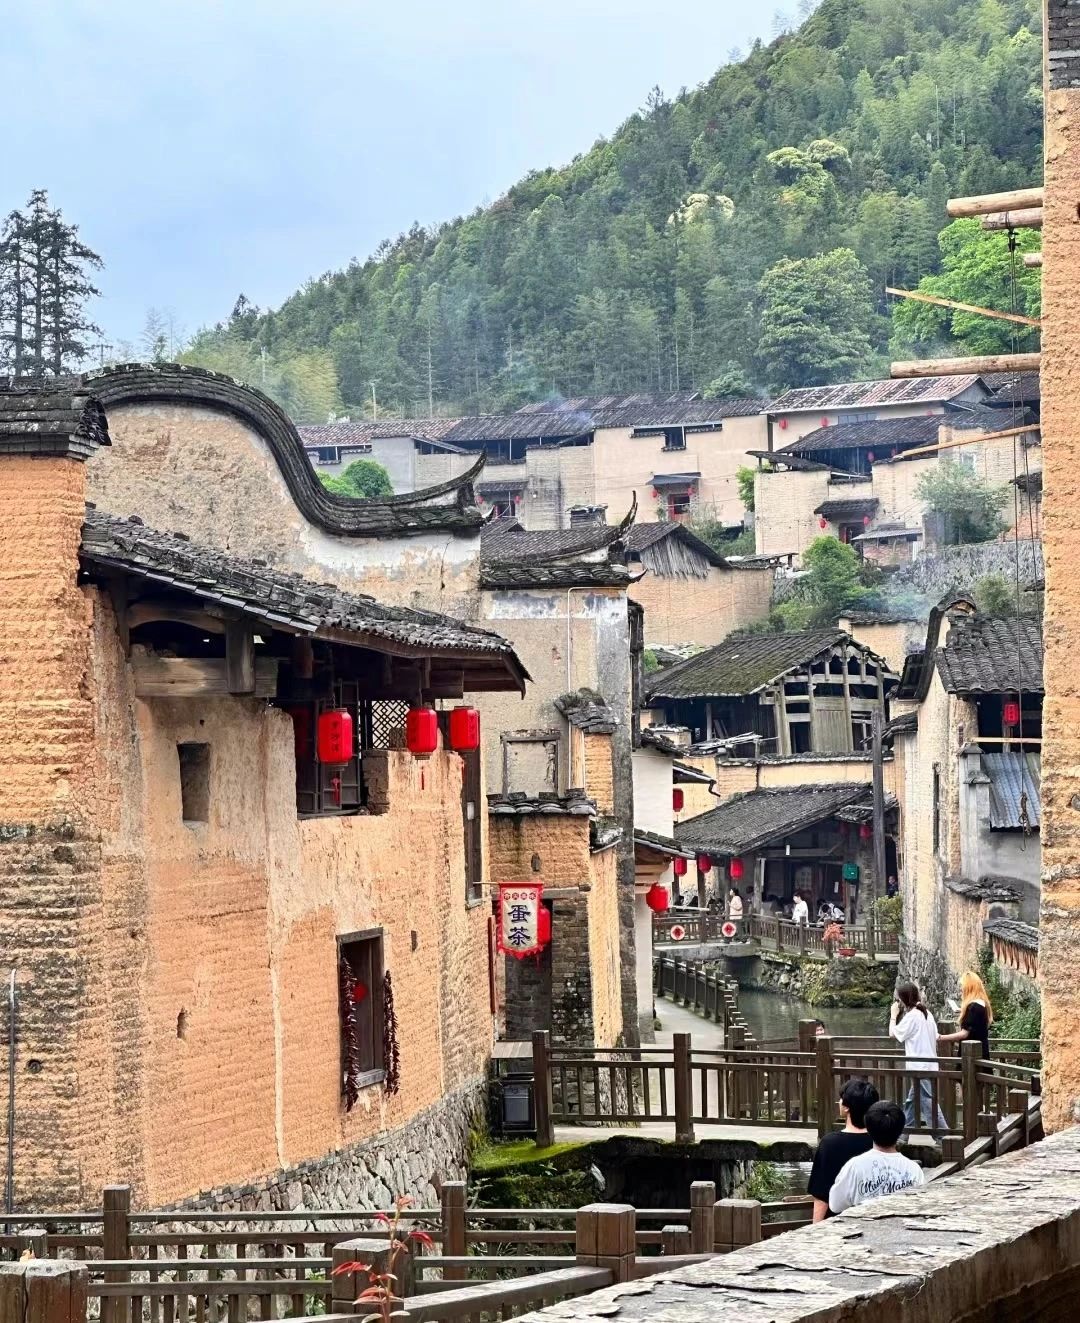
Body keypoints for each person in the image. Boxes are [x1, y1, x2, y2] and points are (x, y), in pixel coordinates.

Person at [828, 1100, 925, 1214]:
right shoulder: (914, 1169)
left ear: (868, 1128)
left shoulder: (854, 1166)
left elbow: (835, 1205)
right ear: (900, 1130)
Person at [808, 1079, 879, 1221]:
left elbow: (822, 1196)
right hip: (874, 1221)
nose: (839, 1102)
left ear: (846, 1107)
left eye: (841, 1099)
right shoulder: (879, 1141)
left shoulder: (830, 1143)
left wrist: (815, 1229)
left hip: (837, 1224)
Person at [889, 981, 947, 1131]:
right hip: (929, 1065)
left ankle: (944, 1137)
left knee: (928, 1102)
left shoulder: (913, 1016)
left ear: (903, 999)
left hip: (919, 1066)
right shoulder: (927, 1013)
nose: (898, 1003)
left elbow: (892, 1034)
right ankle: (904, 1134)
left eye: (898, 999)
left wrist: (893, 1015)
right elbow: (936, 1036)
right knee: (912, 1101)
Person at [938, 971, 993, 1061]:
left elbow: (965, 1033)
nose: (961, 989)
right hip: (981, 1051)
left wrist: (941, 1037)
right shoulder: (983, 1004)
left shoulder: (973, 1007)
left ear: (968, 987)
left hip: (971, 1056)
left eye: (962, 986)